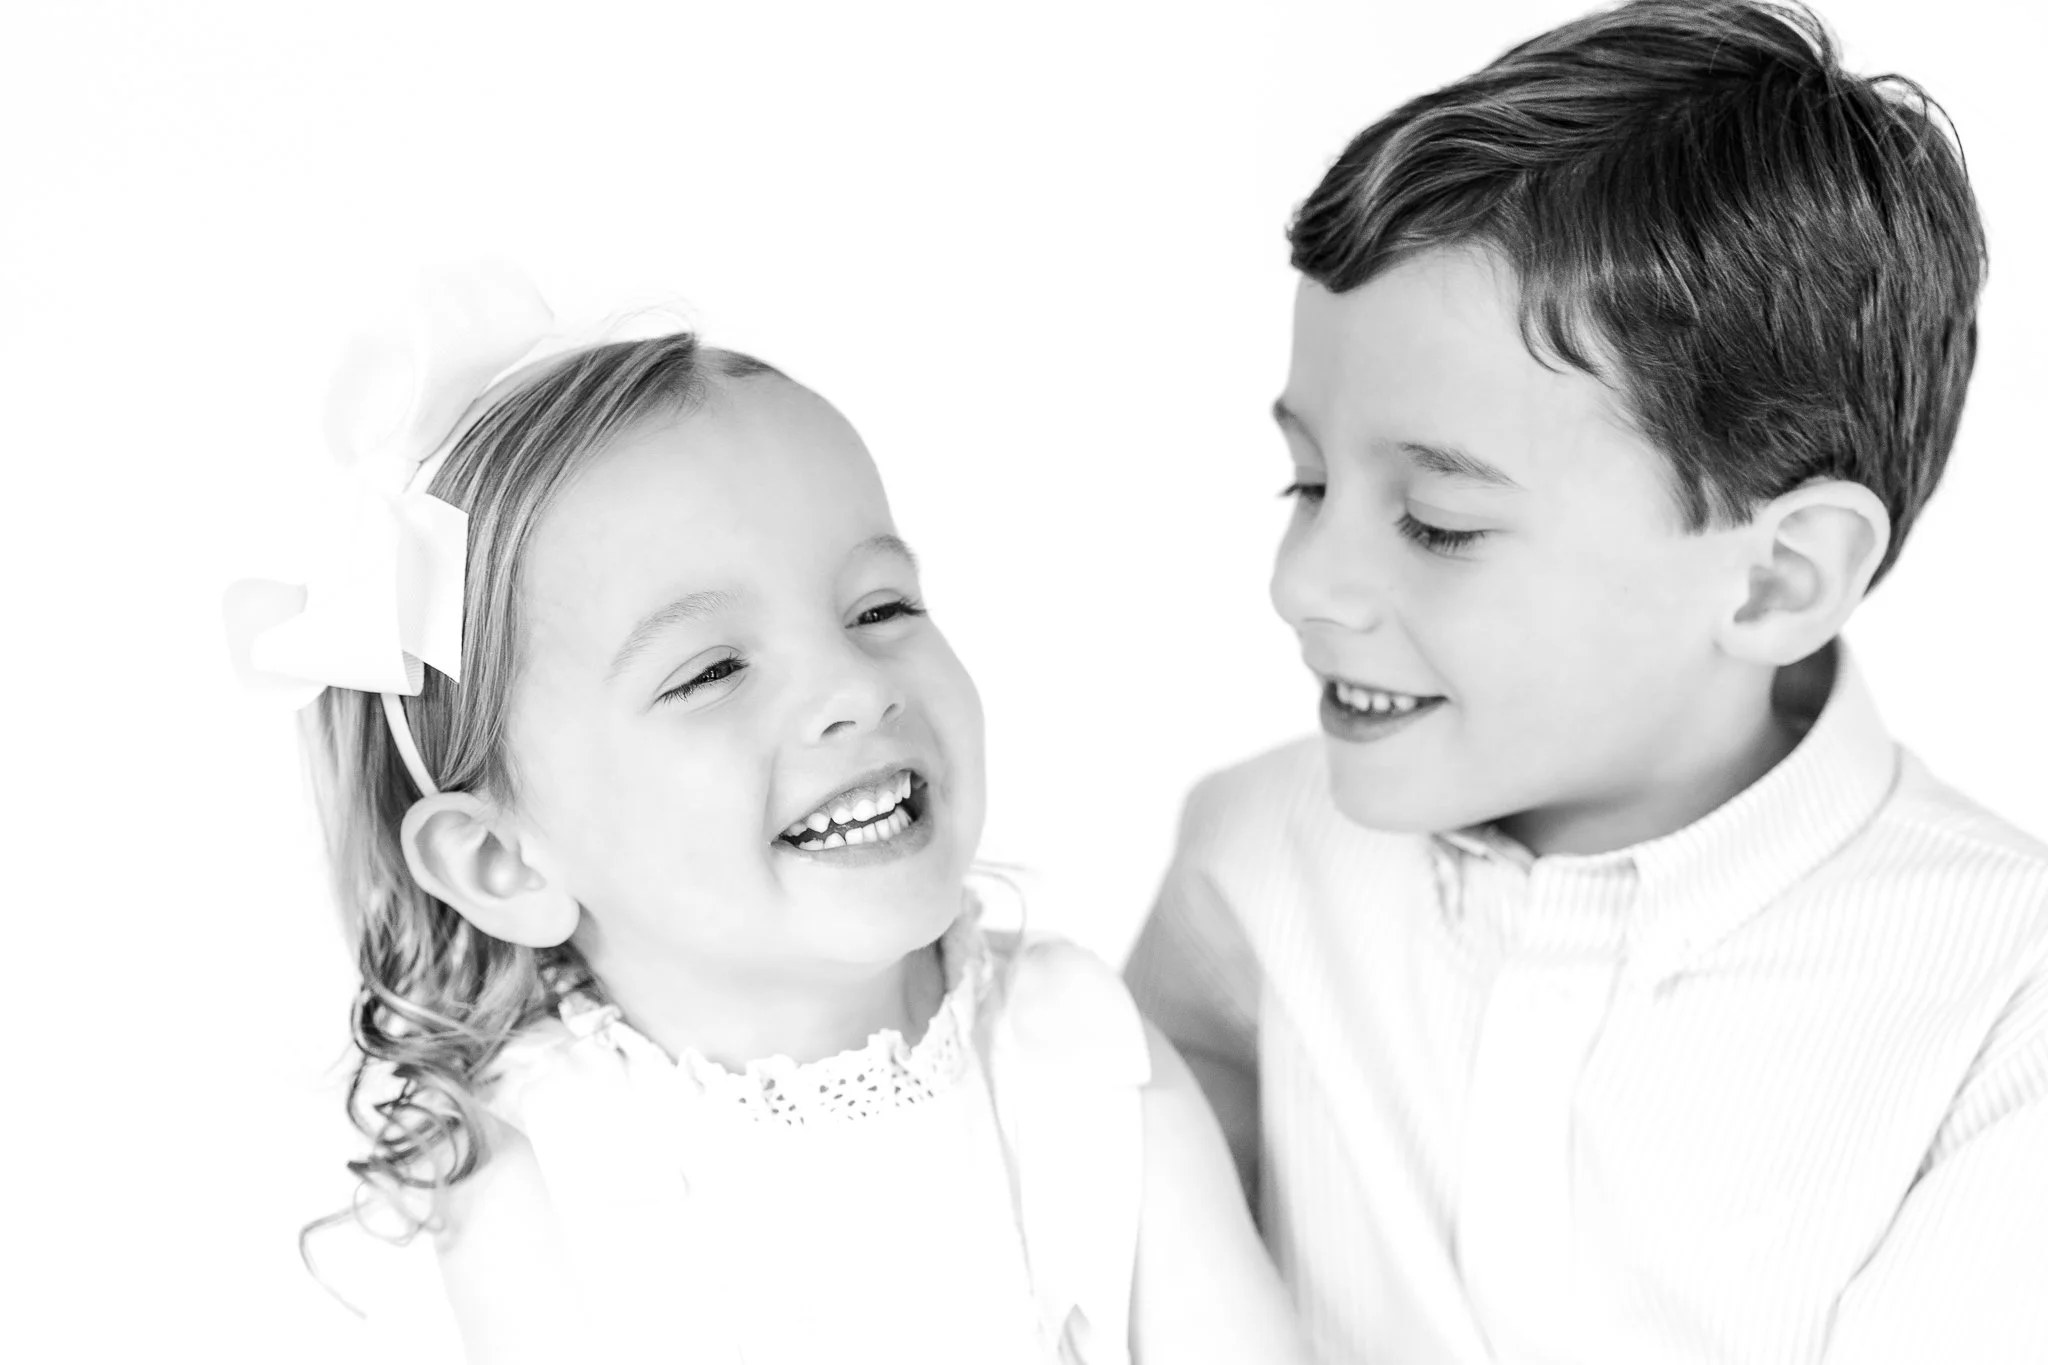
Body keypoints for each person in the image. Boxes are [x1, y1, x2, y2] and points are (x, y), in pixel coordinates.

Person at [1124, 2, 2046, 1361]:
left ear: (1777, 578)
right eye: (1307, 480)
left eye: (1438, 521)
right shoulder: (1253, 860)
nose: (1303, 581)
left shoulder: (2004, 1004)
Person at [229, 277, 1308, 1365]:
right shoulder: (535, 1176)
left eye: (879, 608)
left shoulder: (1081, 1060)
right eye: (711, 671)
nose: (852, 685)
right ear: (504, 861)